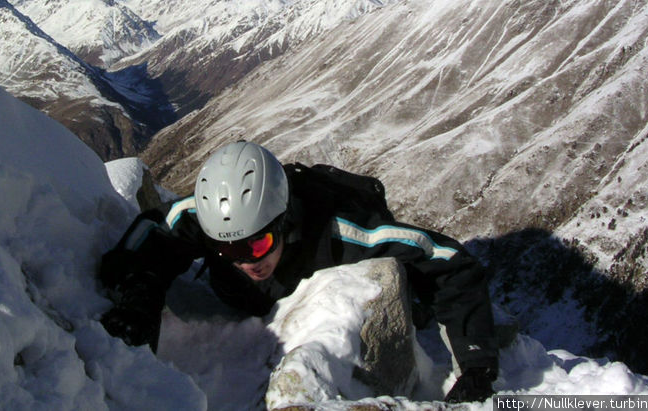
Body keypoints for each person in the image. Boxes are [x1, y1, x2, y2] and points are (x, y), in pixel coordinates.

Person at [99, 141, 499, 403]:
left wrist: (477, 363)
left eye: (256, 245)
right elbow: (154, 231)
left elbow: (447, 260)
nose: (245, 261)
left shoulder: (342, 234)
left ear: (284, 221)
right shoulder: (213, 219)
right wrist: (141, 295)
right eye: (225, 249)